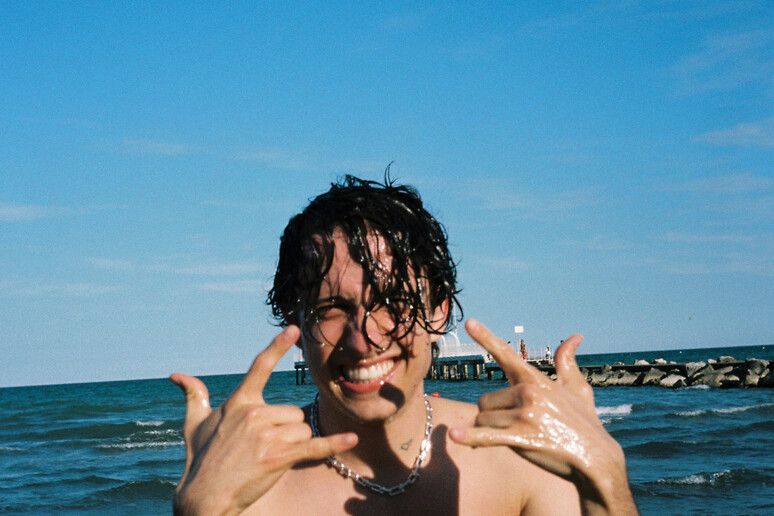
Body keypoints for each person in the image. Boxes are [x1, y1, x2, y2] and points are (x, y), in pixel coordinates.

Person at [170, 175, 637, 515]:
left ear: (438, 311)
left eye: (393, 301)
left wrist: (605, 481)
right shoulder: (249, 486)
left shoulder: (517, 456)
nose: (364, 338)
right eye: (331, 308)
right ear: (296, 325)